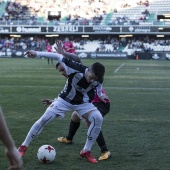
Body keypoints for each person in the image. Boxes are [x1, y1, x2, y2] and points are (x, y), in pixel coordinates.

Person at [18, 46, 108, 163]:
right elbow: (57, 56)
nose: (92, 81)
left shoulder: (98, 79)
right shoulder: (76, 68)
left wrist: (100, 94)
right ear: (89, 70)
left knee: (98, 118)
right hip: (64, 101)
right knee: (44, 119)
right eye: (91, 77)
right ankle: (23, 146)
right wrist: (36, 53)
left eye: (94, 79)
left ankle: (86, 150)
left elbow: (99, 87)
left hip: (83, 104)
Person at [52, 42, 111, 161]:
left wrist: (64, 53)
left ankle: (105, 150)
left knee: (91, 121)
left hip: (100, 102)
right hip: (88, 103)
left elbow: (77, 59)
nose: (62, 72)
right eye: (60, 71)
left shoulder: (80, 71)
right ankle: (69, 138)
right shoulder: (72, 77)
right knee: (75, 116)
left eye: (62, 70)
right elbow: (67, 96)